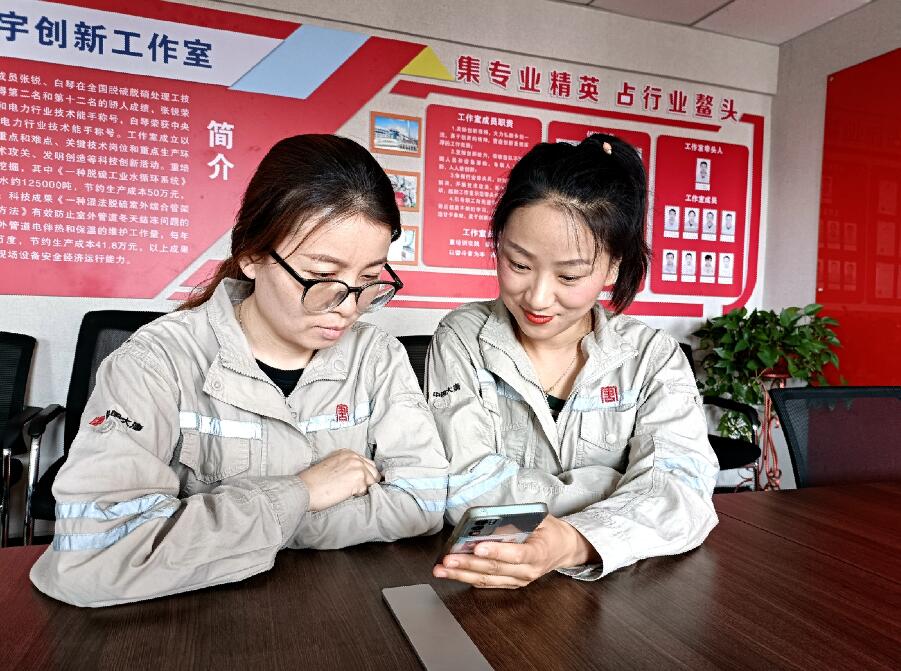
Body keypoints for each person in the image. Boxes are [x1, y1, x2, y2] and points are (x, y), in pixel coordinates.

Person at [30, 135, 449, 607]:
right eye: (321, 276)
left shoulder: (377, 356)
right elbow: (96, 558)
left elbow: (421, 504)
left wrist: (245, 528)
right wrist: (302, 494)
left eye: (369, 279)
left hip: (337, 607)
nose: (348, 307)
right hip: (192, 619)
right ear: (252, 255)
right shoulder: (155, 362)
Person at [426, 134, 718, 589]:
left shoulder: (653, 357)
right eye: (518, 264)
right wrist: (613, 486)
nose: (538, 297)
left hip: (622, 592)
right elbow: (464, 492)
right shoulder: (462, 338)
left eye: (569, 275)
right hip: (487, 582)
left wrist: (571, 541)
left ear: (613, 267)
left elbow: (683, 492)